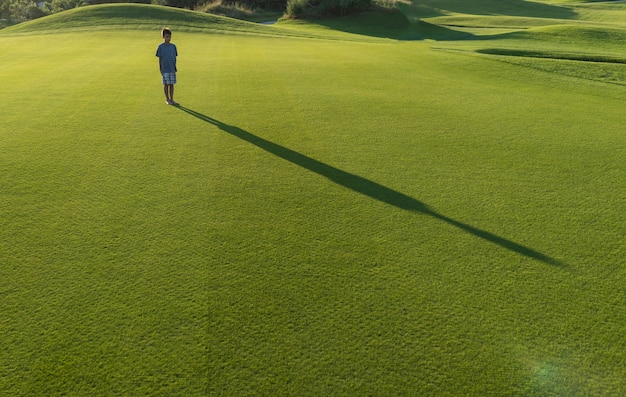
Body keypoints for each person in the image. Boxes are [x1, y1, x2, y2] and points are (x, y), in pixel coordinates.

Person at [156, 27, 179, 105]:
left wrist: (175, 66)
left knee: (172, 84)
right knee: (166, 84)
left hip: (172, 68)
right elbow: (160, 58)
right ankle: (167, 99)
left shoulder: (173, 46)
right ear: (163, 37)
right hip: (165, 68)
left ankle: (172, 99)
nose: (168, 38)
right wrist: (160, 68)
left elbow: (174, 57)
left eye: (169, 36)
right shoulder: (161, 47)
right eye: (167, 36)